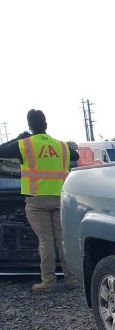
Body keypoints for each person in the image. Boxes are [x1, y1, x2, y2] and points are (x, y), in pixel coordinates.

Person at [0, 109, 79, 292]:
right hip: (60, 199)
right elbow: (75, 156)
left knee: (46, 241)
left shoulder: (24, 144)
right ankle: (71, 279)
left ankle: (48, 282)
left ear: (29, 125)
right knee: (62, 240)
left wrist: (19, 138)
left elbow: (2, 150)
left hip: (37, 201)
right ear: (46, 125)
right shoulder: (60, 146)